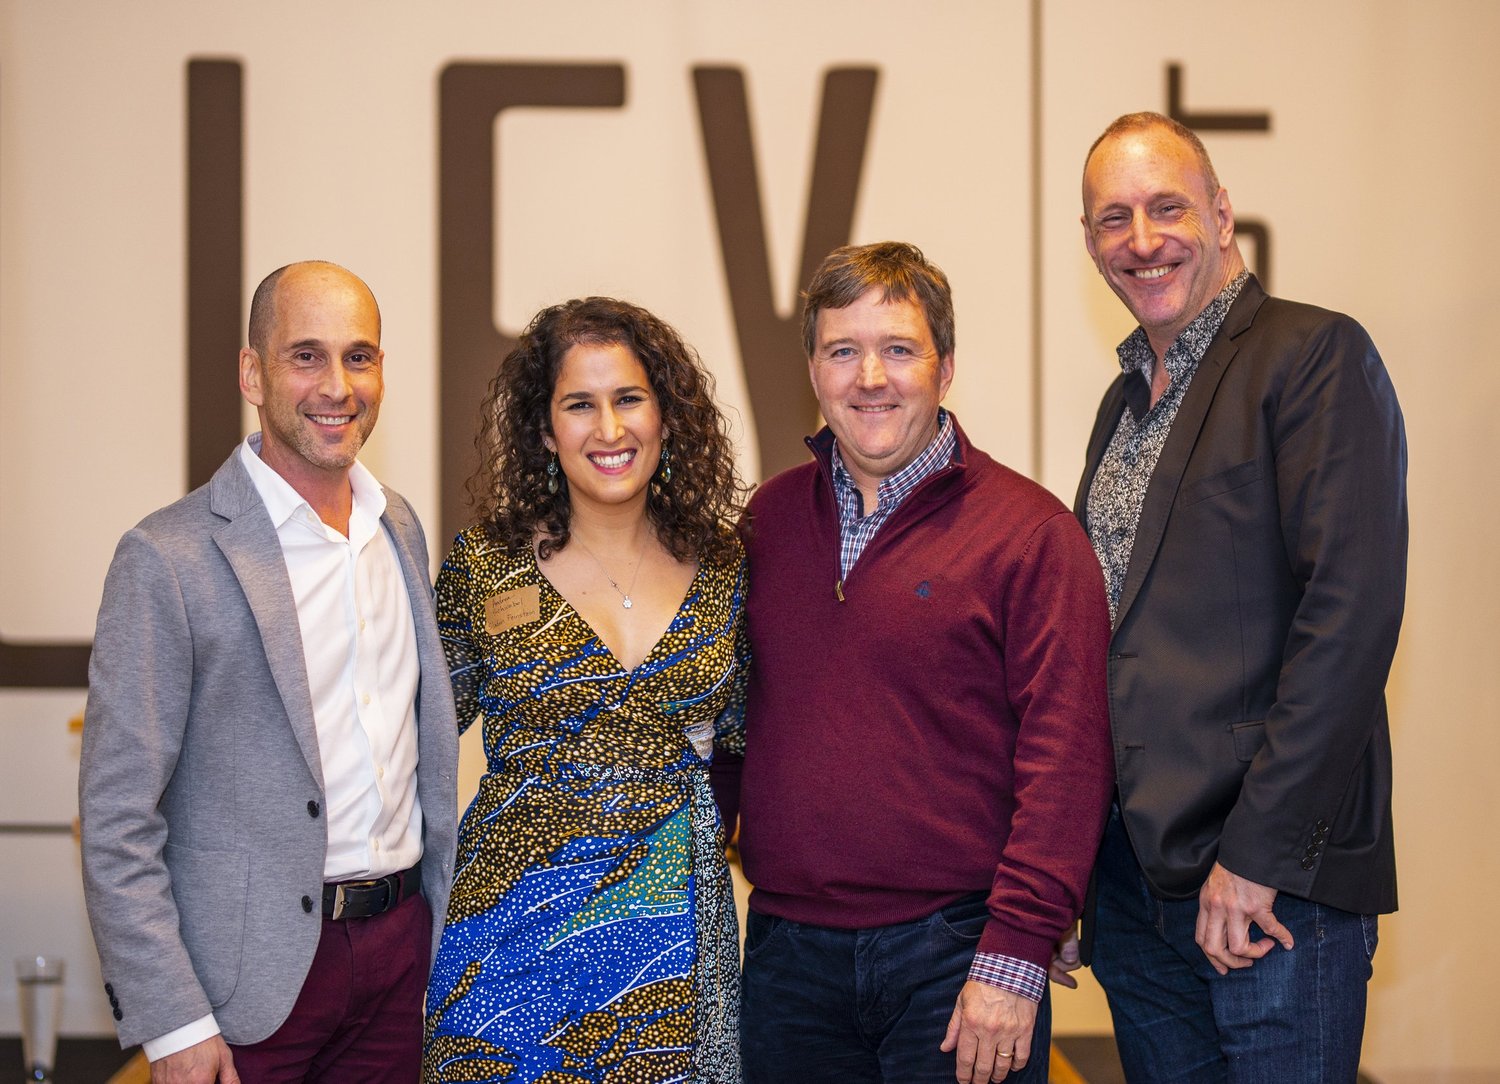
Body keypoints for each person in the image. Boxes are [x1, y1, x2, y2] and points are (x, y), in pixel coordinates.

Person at [1059, 112, 1407, 1082]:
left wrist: (1257, 857)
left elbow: (1350, 616)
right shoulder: (1123, 403)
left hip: (1265, 891)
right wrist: (1071, 872)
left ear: (1221, 214)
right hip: (1135, 891)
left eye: (1166, 208)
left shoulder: (1313, 355)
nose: (1142, 239)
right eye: (1114, 218)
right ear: (1089, 241)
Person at [730, 241, 1114, 1084]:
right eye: (843, 351)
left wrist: (1016, 950)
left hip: (960, 956)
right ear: (813, 370)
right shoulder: (766, 523)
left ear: (946, 369)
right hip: (788, 960)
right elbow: (727, 728)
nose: (871, 377)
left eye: (899, 349)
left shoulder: (1032, 535)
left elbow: (1068, 760)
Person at [79, 260, 460, 1083]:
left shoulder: (397, 527)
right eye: (306, 356)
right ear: (252, 374)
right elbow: (116, 819)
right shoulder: (167, 557)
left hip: (401, 962)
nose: (338, 386)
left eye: (359, 357)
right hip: (246, 990)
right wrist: (173, 1022)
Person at [422, 297, 750, 1084]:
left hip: (673, 957)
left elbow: (748, 749)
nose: (609, 429)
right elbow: (409, 743)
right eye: (579, 405)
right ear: (544, 430)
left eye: (629, 398)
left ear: (666, 417)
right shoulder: (483, 567)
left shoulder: (728, 569)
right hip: (505, 952)